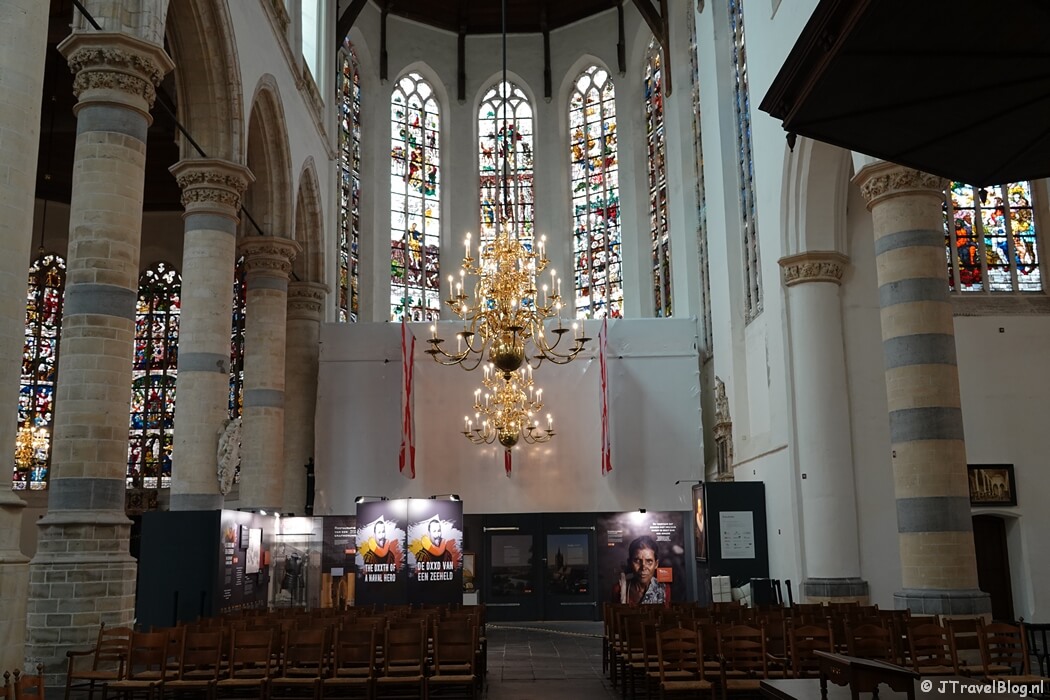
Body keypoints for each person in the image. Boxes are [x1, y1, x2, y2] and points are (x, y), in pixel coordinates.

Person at [613, 535, 665, 606]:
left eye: (649, 561)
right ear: (630, 563)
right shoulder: (619, 589)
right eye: (637, 561)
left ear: (656, 564)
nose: (643, 567)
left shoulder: (663, 590)